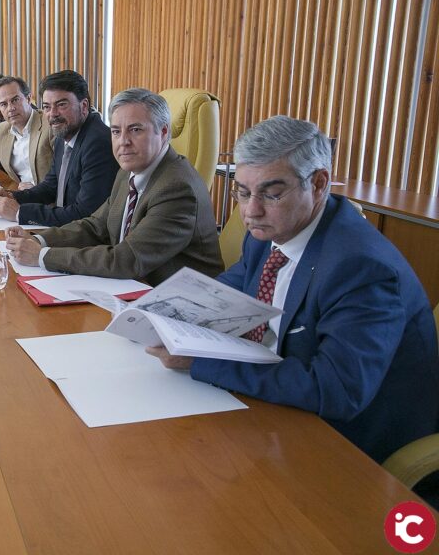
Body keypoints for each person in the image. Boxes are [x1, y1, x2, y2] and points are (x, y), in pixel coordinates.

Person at [148, 115, 439, 463]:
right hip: (278, 407)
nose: (251, 211)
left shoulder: (360, 268)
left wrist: (202, 362)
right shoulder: (270, 231)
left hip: (351, 442)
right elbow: (235, 286)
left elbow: (337, 390)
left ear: (318, 183)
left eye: (271, 194)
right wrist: (164, 310)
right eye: (243, 192)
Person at [5, 88, 223, 283]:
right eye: (116, 131)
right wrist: (39, 240)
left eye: (135, 130)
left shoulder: (177, 188)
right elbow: (96, 226)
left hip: (177, 300)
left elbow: (126, 260)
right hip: (133, 286)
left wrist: (43, 256)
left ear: (164, 132)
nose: (123, 142)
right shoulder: (128, 169)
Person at [0, 70, 118, 227]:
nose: (53, 114)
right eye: (47, 107)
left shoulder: (98, 143)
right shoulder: (65, 131)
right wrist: (13, 196)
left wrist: (20, 213)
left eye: (61, 105)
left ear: (83, 106)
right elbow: (50, 186)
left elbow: (85, 214)